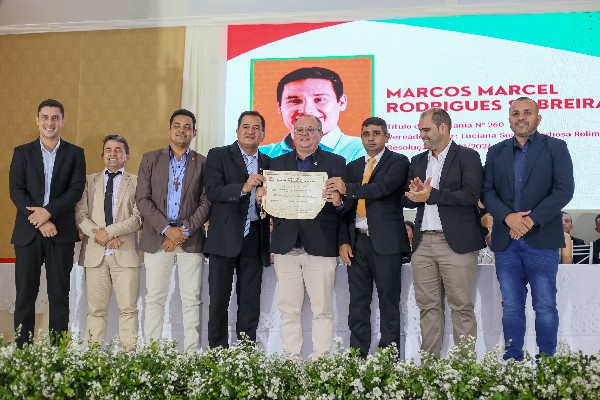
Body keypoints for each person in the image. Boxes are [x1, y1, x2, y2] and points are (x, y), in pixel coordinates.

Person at [483, 97, 574, 361]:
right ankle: (513, 365)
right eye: (515, 113)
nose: (521, 117)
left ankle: (547, 365)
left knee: (545, 306)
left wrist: (530, 220)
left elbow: (564, 189)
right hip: (506, 241)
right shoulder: (495, 151)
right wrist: (508, 217)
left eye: (527, 113)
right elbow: (487, 192)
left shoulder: (556, 147)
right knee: (511, 307)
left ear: (538, 118)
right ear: (509, 119)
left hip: (542, 239)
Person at [259, 114, 347, 359]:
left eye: (310, 129)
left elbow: (346, 207)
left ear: (320, 133)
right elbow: (269, 207)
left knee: (322, 310)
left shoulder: (337, 162)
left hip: (321, 245)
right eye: (300, 130)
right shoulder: (276, 164)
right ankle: (291, 360)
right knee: (288, 309)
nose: (304, 134)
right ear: (293, 133)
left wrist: (339, 201)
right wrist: (263, 199)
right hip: (286, 245)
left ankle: (321, 360)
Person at [402, 108, 485, 357]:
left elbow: (471, 195)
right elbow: (406, 200)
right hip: (422, 243)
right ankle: (430, 368)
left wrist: (431, 195)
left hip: (456, 244)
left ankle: (463, 368)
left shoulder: (468, 156)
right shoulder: (417, 160)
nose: (422, 135)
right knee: (428, 308)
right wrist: (414, 194)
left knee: (461, 307)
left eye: (426, 130)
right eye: (420, 130)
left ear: (443, 128)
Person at [326, 116, 410, 357]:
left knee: (388, 304)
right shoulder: (353, 166)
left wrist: (347, 188)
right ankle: (357, 358)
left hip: (386, 244)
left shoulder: (398, 161)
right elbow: (346, 210)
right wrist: (343, 241)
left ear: (387, 137)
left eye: (376, 133)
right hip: (357, 242)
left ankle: (388, 361)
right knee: (358, 304)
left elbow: (381, 189)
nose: (371, 138)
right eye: (366, 134)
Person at [9, 99, 86, 347]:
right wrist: (41, 221)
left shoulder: (75, 153)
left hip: (61, 234)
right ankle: (23, 352)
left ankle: (57, 354)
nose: (49, 122)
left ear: (62, 121)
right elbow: (16, 191)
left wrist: (49, 212)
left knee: (59, 296)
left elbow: (75, 190)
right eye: (45, 117)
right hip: (28, 234)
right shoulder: (22, 152)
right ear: (37, 120)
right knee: (25, 296)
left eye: (55, 117)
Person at [135, 109, 210, 352]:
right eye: (177, 125)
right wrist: (168, 230)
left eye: (187, 127)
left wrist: (182, 231)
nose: (182, 130)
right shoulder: (150, 159)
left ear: (194, 132)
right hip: (158, 238)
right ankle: (152, 353)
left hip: (190, 239)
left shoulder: (203, 163)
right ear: (169, 130)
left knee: (191, 300)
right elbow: (142, 199)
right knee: (154, 298)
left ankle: (191, 354)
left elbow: (206, 202)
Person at [204, 111, 271, 348]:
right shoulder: (218, 155)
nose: (250, 131)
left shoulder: (268, 162)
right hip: (224, 237)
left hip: (255, 237)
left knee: (250, 301)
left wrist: (263, 201)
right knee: (219, 300)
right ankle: (217, 352)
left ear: (263, 134)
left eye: (256, 128)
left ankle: (245, 353)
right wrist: (243, 187)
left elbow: (271, 203)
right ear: (237, 131)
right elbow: (213, 191)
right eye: (246, 126)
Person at [76, 135, 142, 350]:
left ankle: (130, 356)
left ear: (127, 156)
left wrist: (109, 233)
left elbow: (138, 218)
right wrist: (101, 238)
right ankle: (92, 356)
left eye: (118, 149)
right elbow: (80, 215)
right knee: (96, 311)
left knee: (128, 310)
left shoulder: (137, 182)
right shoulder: (88, 181)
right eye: (108, 149)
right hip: (95, 255)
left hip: (125, 253)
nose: (113, 153)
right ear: (102, 155)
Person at [259, 66, 365, 162]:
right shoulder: (260, 156)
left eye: (319, 99)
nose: (307, 111)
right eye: (294, 101)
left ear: (341, 102)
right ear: (279, 108)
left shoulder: (365, 152)